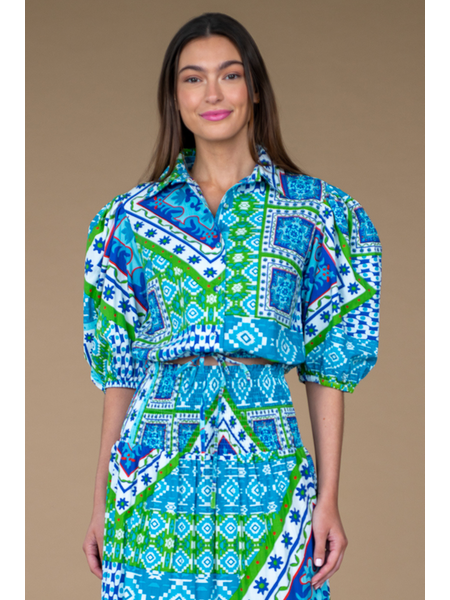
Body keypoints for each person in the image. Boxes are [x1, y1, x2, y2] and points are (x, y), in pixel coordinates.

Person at [82, 12, 382, 600]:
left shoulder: (318, 212)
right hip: (152, 475)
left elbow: (329, 368)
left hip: (269, 463)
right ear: (175, 99)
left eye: (230, 75)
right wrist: (100, 502)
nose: (212, 93)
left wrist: (329, 499)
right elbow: (120, 371)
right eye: (193, 79)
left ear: (255, 90)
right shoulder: (128, 220)